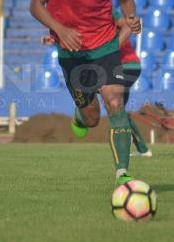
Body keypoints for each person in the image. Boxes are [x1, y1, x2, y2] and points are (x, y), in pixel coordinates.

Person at [30, 0, 143, 185]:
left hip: (105, 46)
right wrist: (60, 30)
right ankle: (80, 117)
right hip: (72, 53)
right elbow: (35, 5)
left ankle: (122, 174)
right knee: (92, 117)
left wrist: (130, 16)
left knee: (115, 102)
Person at [41, 9, 152, 157]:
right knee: (118, 110)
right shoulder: (89, 19)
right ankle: (142, 149)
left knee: (114, 107)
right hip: (128, 66)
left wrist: (110, 49)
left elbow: (127, 25)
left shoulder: (103, 11)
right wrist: (55, 40)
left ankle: (81, 114)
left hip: (122, 65)